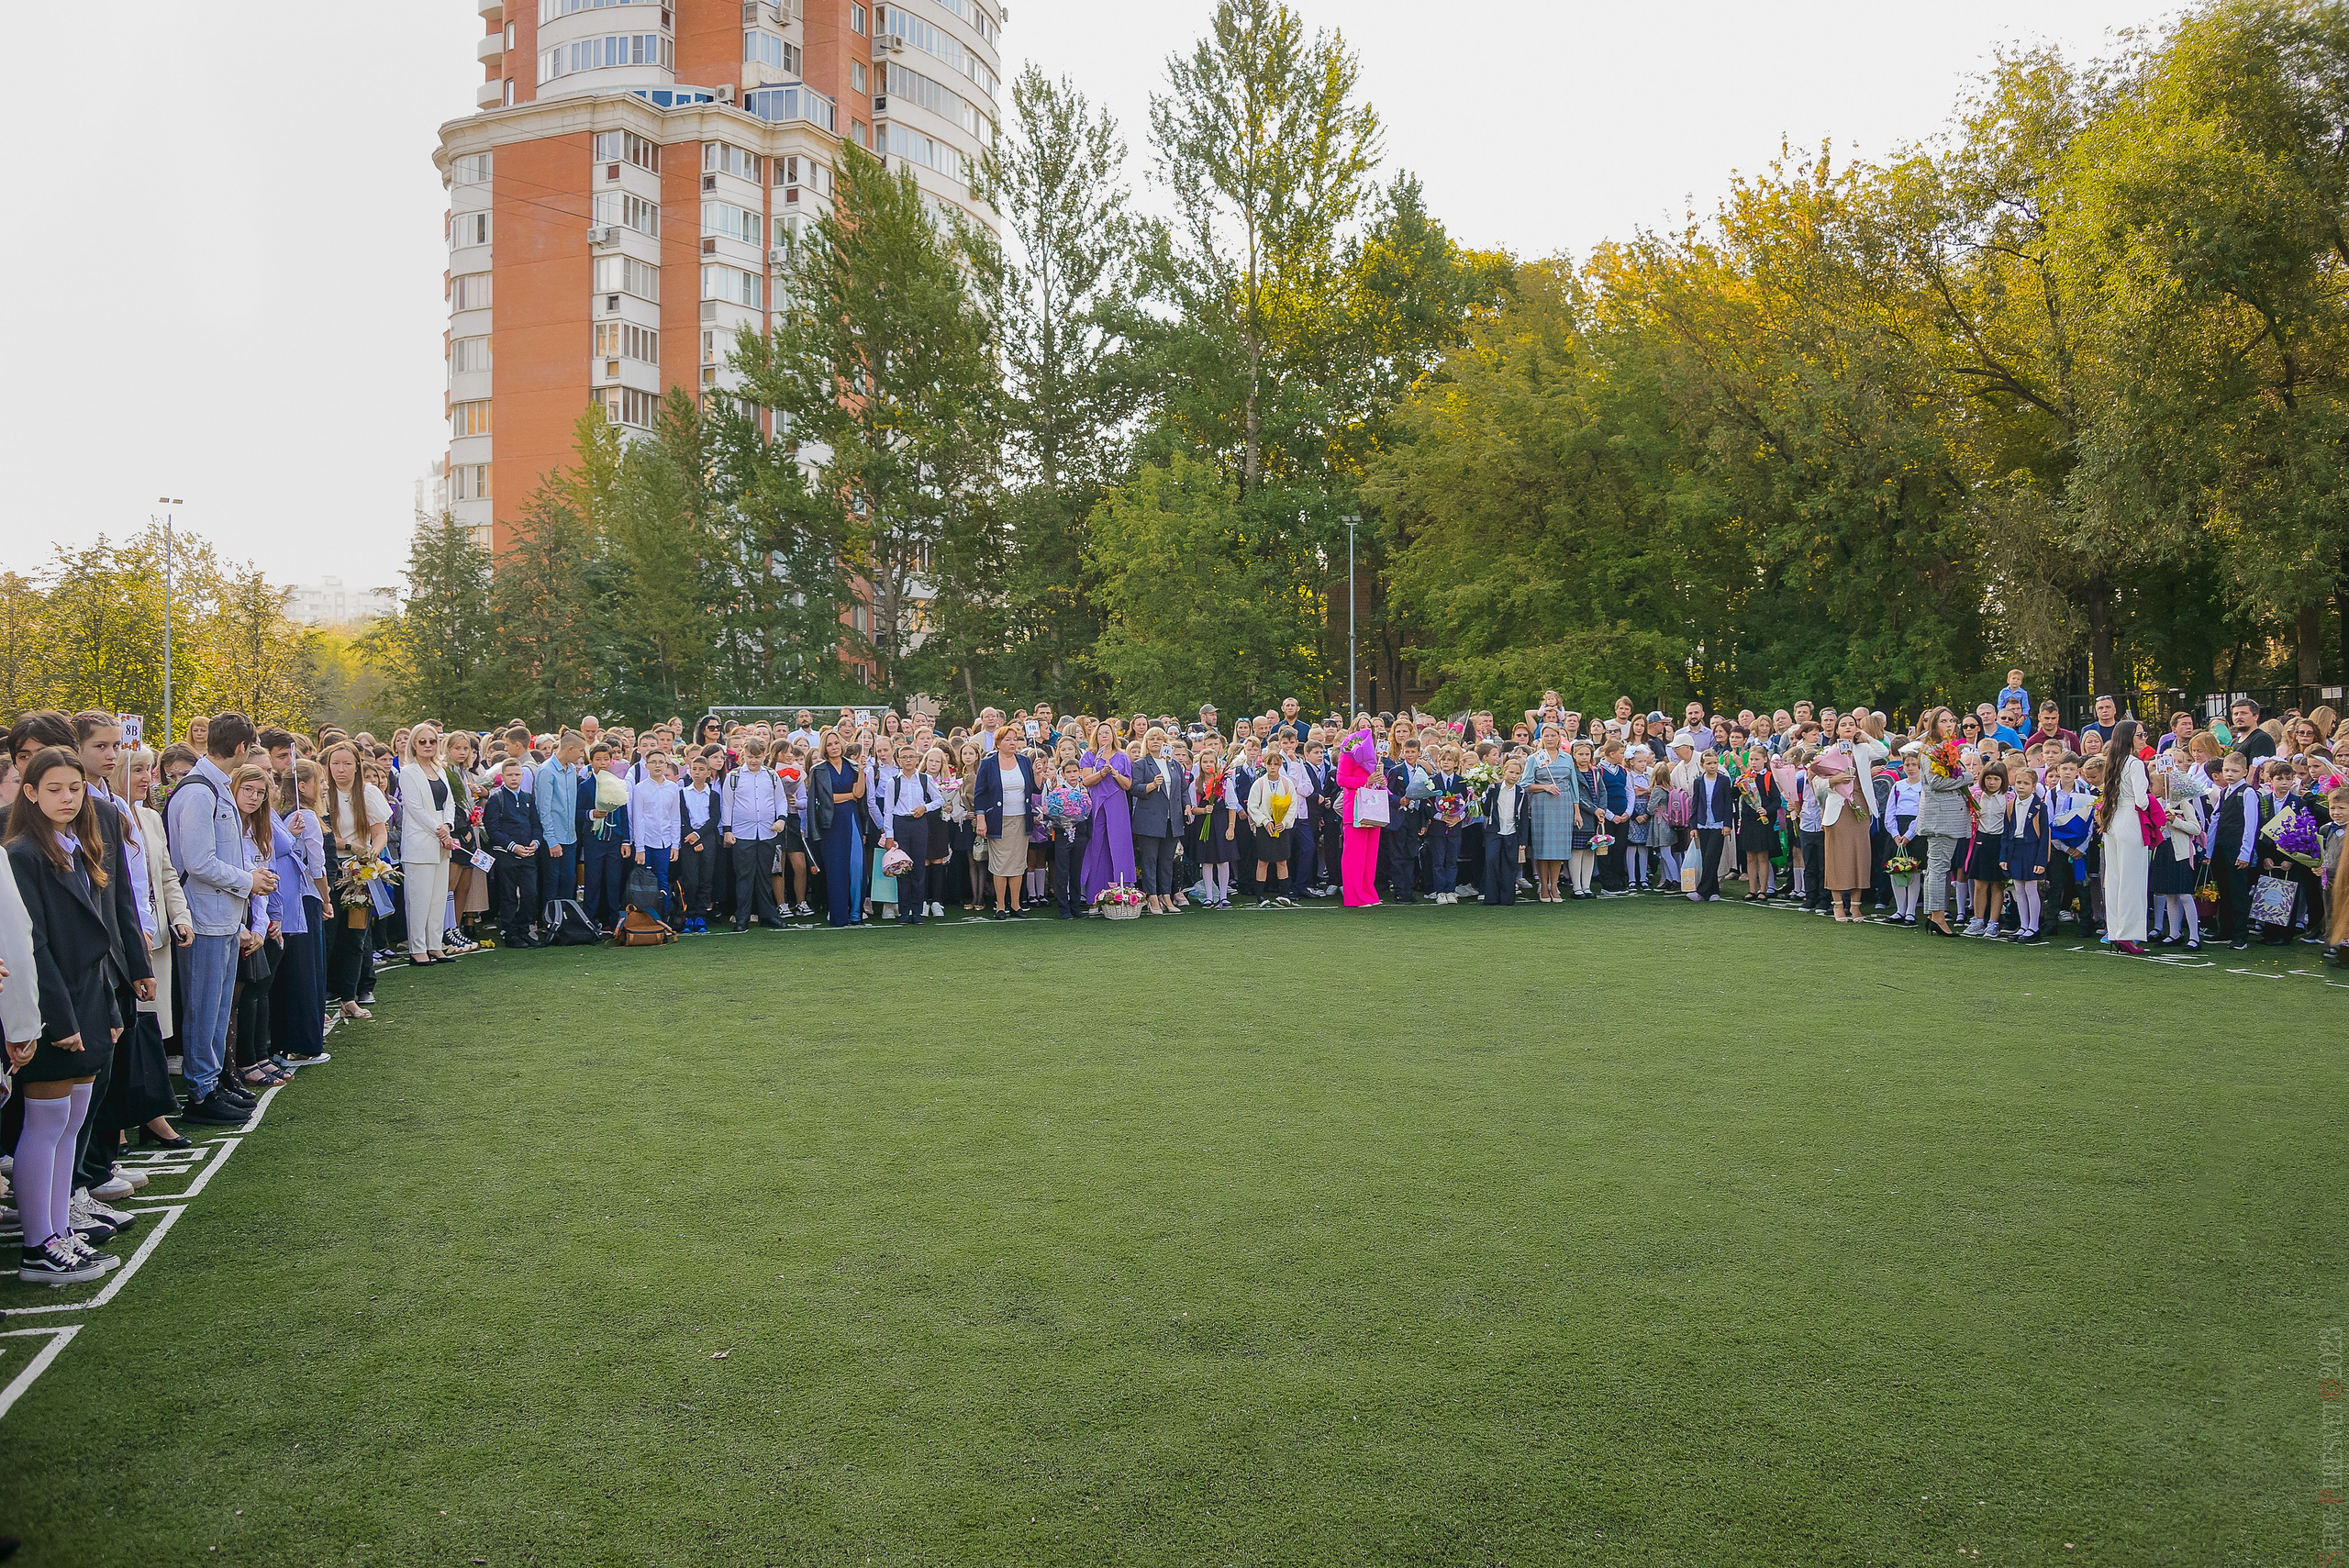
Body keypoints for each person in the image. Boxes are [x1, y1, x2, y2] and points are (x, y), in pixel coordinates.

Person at [8, 746, 150, 1283]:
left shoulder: (77, 844)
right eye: (53, 790)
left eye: (74, 788)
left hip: (90, 997)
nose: (67, 798)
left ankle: (60, 1227)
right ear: (29, 793)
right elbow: (34, 944)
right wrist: (62, 1019)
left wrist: (108, 1003)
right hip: (54, 1005)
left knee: (72, 1122)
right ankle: (38, 1245)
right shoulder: (22, 854)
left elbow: (100, 934)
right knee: (45, 1123)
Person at [163, 713, 273, 1124]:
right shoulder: (199, 791)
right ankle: (202, 1090)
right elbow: (198, 861)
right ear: (242, 747)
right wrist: (248, 880)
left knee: (218, 1007)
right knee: (204, 1007)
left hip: (223, 914)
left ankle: (216, 1080)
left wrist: (247, 880)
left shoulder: (215, 787)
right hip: (204, 915)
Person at [395, 725, 459, 966]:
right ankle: (418, 948)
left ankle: (435, 945)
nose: (428, 745)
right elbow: (414, 808)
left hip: (442, 841)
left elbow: (450, 803)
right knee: (419, 899)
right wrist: (438, 829)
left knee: (438, 898)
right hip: (420, 841)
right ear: (414, 744)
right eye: (422, 741)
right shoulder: (408, 772)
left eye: (432, 741)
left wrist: (448, 826)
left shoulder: (440, 770)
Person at [2097, 718, 2153, 954]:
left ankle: (2115, 931)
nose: (2143, 738)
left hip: (2113, 820)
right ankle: (2127, 934)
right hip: (2130, 819)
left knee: (2115, 879)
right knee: (2132, 880)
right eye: (2139, 735)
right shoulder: (2135, 763)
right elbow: (2142, 800)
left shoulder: (2113, 762)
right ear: (2129, 737)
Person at [974, 725, 1039, 918]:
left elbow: (1034, 789)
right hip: (998, 820)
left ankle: (1016, 905)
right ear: (998, 743)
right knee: (1001, 864)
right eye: (1008, 739)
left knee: (1018, 864)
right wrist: (981, 819)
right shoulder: (988, 763)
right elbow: (980, 794)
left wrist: (1038, 774)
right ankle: (1000, 906)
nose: (1012, 743)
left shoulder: (1024, 761)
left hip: (1021, 819)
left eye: (1015, 739)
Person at [482, 757, 541, 947]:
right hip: (506, 854)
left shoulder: (527, 797)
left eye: (517, 774)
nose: (514, 778)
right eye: (510, 775)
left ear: (522, 776)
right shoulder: (496, 799)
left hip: (528, 854)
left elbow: (536, 824)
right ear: (503, 776)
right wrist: (512, 846)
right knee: (508, 895)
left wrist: (535, 842)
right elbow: (492, 829)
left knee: (530, 893)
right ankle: (510, 933)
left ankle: (524, 930)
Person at [809, 733, 865, 928]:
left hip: (852, 819)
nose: (834, 747)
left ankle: (856, 914)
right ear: (824, 748)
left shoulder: (854, 766)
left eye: (836, 743)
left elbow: (859, 794)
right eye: (829, 744)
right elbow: (824, 800)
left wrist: (862, 771)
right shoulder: (818, 770)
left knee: (857, 866)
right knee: (836, 869)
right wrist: (849, 796)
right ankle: (839, 917)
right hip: (830, 824)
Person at [1130, 728, 1186, 916]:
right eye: (1151, 738)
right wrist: (1152, 785)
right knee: (1150, 860)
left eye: (1159, 738)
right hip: (1149, 820)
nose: (1155, 741)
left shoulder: (1174, 764)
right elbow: (1134, 788)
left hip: (1173, 819)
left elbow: (1183, 790)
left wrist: (1187, 806)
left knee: (1167, 861)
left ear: (1165, 742)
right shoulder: (1141, 764)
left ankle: (1166, 896)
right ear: (1146, 743)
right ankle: (1152, 896)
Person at [1078, 722, 1136, 906]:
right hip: (1097, 805)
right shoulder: (1089, 756)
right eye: (1101, 733)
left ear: (1113, 736)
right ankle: (1094, 895)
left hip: (1117, 805)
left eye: (1108, 732)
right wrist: (1102, 773)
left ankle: (1123, 892)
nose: (1104, 735)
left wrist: (1116, 774)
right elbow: (1087, 781)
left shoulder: (1122, 757)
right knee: (1097, 846)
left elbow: (1128, 785)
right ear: (1096, 736)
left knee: (1120, 845)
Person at [1334, 723, 1384, 907]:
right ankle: (1354, 896)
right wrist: (1366, 780)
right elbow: (1341, 779)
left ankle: (1369, 894)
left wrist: (1381, 780)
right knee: (1354, 856)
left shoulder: (1375, 756)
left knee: (1370, 857)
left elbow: (1378, 780)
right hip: (1355, 810)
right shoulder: (1347, 754)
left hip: (1373, 808)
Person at [1687, 750, 1735, 902]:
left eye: (1715, 763)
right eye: (1709, 763)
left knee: (1711, 857)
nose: (1713, 766)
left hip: (1718, 824)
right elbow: (1695, 804)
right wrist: (1693, 826)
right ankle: (1713, 892)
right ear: (1702, 765)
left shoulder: (1723, 780)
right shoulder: (1698, 781)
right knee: (1706, 858)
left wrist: (1727, 824)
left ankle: (1701, 891)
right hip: (1703, 823)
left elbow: (1728, 803)